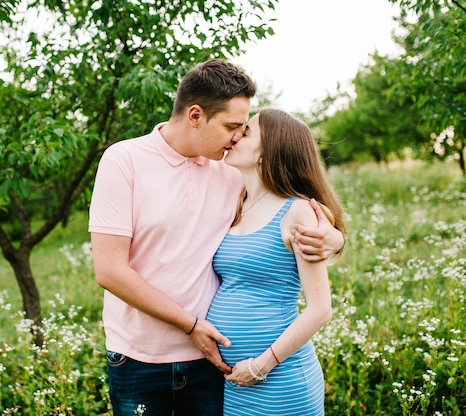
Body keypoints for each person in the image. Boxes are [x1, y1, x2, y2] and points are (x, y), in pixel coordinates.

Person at [88, 60, 344, 416]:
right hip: (140, 358)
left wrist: (333, 236)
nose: (237, 137)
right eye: (231, 126)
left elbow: (291, 196)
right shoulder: (124, 161)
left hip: (212, 363)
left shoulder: (229, 169)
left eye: (243, 129)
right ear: (195, 115)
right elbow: (109, 271)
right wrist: (190, 324)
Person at [207, 108, 347, 416]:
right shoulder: (238, 201)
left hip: (279, 378)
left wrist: (261, 366)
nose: (235, 137)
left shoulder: (297, 212)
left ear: (266, 153)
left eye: (246, 133)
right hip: (233, 383)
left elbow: (320, 309)